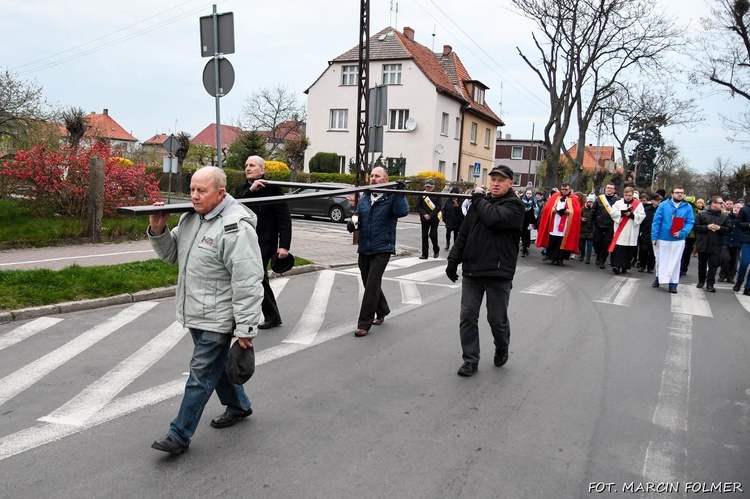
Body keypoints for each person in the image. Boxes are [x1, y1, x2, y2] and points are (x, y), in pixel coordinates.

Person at [147, 166, 264, 455]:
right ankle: (238, 405)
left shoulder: (235, 227)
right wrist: (159, 231)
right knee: (217, 368)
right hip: (195, 312)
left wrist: (246, 330)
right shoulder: (190, 219)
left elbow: (248, 279)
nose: (195, 196)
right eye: (192, 190)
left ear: (221, 193)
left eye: (202, 191)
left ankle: (179, 435)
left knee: (200, 374)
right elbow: (173, 256)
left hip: (218, 317)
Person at [445, 165, 524, 377]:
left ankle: (502, 345)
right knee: (468, 317)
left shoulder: (515, 206)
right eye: (493, 180)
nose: (495, 184)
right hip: (472, 272)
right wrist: (453, 259)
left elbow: (495, 219)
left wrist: (479, 199)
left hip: (498, 273)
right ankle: (470, 359)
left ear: (510, 183)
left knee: (496, 319)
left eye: (501, 180)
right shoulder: (480, 204)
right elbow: (464, 233)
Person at [347, 166, 410, 337]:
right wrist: (352, 225)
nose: (373, 178)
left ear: (386, 180)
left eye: (377, 176)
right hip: (365, 247)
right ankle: (382, 310)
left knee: (372, 285)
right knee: (369, 282)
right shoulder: (365, 197)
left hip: (383, 247)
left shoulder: (391, 198)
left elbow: (402, 211)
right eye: (372, 176)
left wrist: (399, 193)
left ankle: (364, 324)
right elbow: (357, 216)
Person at [235, 155, 292, 330]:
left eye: (252, 165)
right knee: (256, 278)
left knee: (257, 277)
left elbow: (284, 219)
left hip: (265, 243)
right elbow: (233, 206)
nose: (248, 168)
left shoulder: (273, 190)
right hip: (244, 241)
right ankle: (271, 316)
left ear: (262, 170)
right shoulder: (242, 189)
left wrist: (284, 246)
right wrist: (250, 190)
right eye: (246, 165)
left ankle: (271, 316)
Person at [651, 187, 695, 294]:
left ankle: (673, 284)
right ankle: (658, 277)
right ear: (672, 194)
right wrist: (654, 237)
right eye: (677, 193)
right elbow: (656, 221)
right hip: (663, 237)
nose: (679, 194)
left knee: (675, 261)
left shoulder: (687, 207)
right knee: (661, 259)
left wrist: (683, 232)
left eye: (681, 193)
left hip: (678, 239)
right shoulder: (663, 205)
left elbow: (690, 222)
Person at [535, 183, 582, 267]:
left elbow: (577, 211)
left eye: (566, 190)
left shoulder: (573, 198)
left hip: (566, 225)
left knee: (562, 242)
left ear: (569, 189)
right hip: (554, 223)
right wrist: (552, 210)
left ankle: (560, 259)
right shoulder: (555, 196)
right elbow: (547, 208)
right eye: (562, 189)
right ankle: (553, 257)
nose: (564, 191)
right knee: (553, 240)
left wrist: (570, 211)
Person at [693, 196, 731, 292]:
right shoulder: (702, 214)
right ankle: (701, 280)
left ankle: (710, 284)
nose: (722, 204)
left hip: (716, 244)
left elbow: (729, 229)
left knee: (713, 265)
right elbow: (695, 227)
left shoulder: (724, 217)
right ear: (713, 203)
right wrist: (707, 227)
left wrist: (720, 228)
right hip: (703, 243)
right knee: (702, 263)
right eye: (720, 202)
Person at [609, 186, 646, 274]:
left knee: (628, 250)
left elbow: (642, 216)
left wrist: (631, 214)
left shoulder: (638, 204)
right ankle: (617, 266)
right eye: (626, 195)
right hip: (620, 230)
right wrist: (621, 213)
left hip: (632, 230)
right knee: (619, 249)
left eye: (629, 195)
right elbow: (612, 213)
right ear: (623, 194)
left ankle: (625, 266)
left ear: (632, 195)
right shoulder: (618, 203)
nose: (628, 197)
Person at [590, 183, 620, 269]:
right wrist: (590, 222)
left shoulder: (617, 200)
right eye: (608, 188)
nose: (609, 189)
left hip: (610, 226)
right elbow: (593, 210)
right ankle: (598, 255)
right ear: (605, 189)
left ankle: (602, 260)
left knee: (606, 243)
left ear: (614, 190)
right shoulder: (599, 198)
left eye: (611, 188)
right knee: (596, 242)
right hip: (599, 224)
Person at [418, 178, 442, 259]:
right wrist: (424, 214)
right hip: (424, 219)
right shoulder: (422, 195)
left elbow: (439, 207)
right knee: (424, 236)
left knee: (433, 235)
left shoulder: (437, 195)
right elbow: (419, 206)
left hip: (434, 219)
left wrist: (430, 215)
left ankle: (436, 249)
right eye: (427, 187)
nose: (428, 189)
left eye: (429, 187)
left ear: (433, 187)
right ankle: (425, 254)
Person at [637, 194, 661, 273]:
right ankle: (642, 265)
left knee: (653, 251)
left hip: (656, 234)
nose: (658, 202)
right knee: (643, 250)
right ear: (652, 201)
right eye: (657, 200)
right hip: (646, 232)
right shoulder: (646, 210)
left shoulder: (661, 210)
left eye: (660, 201)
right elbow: (642, 221)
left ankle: (650, 267)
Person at [719, 202, 742, 283]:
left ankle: (730, 276)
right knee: (724, 258)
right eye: (735, 207)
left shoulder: (743, 219)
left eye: (738, 208)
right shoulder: (727, 217)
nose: (736, 209)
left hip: (737, 241)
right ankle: (722, 275)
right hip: (726, 240)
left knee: (734, 261)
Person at [732, 201, 750, 295]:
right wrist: (748, 225)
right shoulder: (745, 209)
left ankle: (748, 287)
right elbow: (738, 223)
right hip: (747, 239)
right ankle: (739, 281)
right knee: (744, 262)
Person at [520, 187, 539, 257]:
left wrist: (534, 220)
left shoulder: (534, 200)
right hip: (523, 220)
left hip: (530, 220)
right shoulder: (521, 199)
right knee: (522, 234)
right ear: (525, 193)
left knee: (527, 234)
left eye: (530, 194)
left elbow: (536, 208)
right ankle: (524, 247)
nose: (528, 195)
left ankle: (525, 248)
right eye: (527, 193)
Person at [578, 194, 595, 263]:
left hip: (591, 229)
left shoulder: (594, 209)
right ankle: (582, 255)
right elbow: (578, 216)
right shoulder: (583, 209)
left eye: (592, 202)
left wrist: (590, 220)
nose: (590, 203)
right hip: (583, 229)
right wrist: (582, 219)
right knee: (582, 245)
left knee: (589, 245)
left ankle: (588, 258)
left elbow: (596, 218)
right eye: (589, 202)